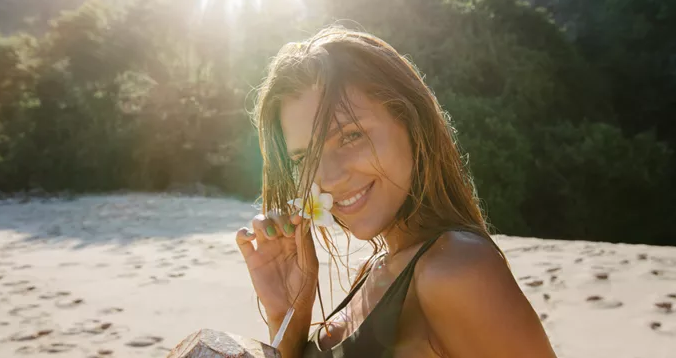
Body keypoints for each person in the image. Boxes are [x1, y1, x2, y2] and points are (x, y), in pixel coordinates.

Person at [236, 27, 557, 358]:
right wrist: (289, 314)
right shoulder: (375, 270)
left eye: (349, 137)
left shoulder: (456, 270)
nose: (327, 178)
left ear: (410, 122)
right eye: (303, 158)